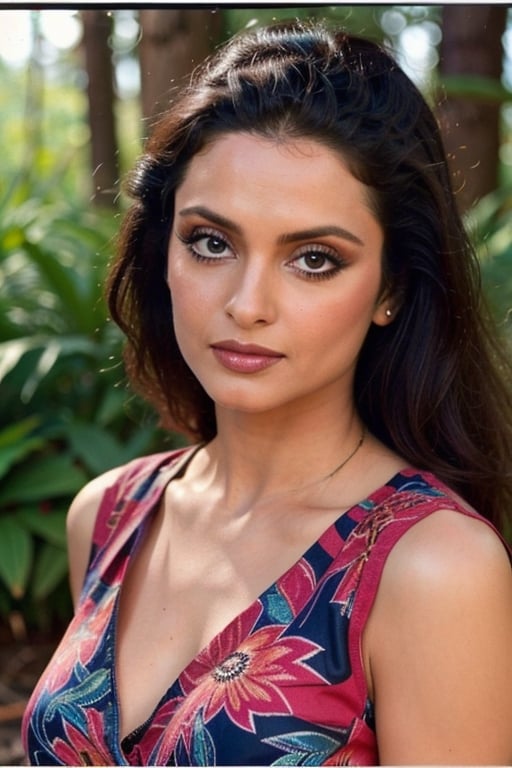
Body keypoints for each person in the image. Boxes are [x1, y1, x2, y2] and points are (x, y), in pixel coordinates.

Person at [22, 20, 512, 767]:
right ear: (164, 252)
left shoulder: (434, 568)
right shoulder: (111, 512)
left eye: (314, 258)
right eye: (211, 242)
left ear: (392, 288)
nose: (247, 303)